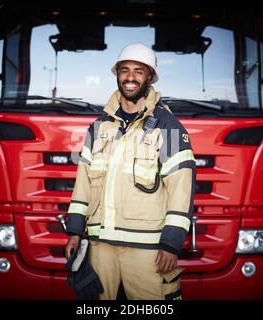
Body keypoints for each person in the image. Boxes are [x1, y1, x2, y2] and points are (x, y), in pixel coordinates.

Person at [65, 42, 196, 300]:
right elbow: (82, 185)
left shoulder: (168, 127)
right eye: (125, 70)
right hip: (100, 248)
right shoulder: (97, 128)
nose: (130, 77)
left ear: (149, 77)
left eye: (139, 71)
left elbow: (182, 189)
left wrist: (171, 244)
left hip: (148, 251)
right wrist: (74, 232)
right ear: (117, 75)